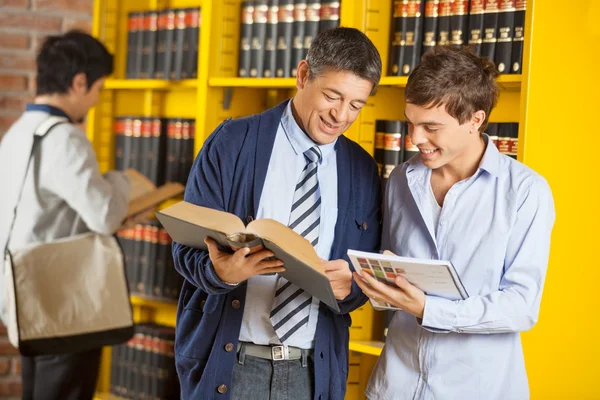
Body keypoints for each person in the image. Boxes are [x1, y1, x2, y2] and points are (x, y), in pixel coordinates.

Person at [172, 27, 381, 399]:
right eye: (332, 96)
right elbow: (183, 248)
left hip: (312, 372)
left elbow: (361, 277)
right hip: (231, 365)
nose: (341, 115)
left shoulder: (362, 170)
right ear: (303, 76)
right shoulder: (233, 142)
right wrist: (220, 272)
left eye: (356, 104)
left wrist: (352, 286)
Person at [354, 46, 555, 400]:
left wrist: (429, 310)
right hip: (395, 386)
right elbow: (391, 270)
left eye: (431, 127)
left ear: (475, 120)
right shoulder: (401, 179)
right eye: (411, 123)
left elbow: (521, 306)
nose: (415, 139)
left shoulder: (525, 191)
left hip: (478, 389)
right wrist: (373, 283)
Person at [0, 31, 131, 400]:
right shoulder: (65, 138)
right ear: (79, 82)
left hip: (26, 299)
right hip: (63, 303)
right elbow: (104, 216)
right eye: (99, 88)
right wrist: (121, 181)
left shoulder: (18, 133)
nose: (95, 100)